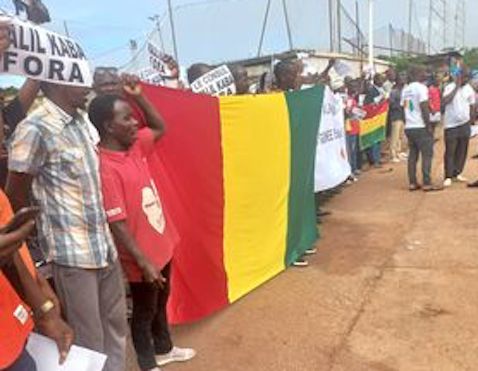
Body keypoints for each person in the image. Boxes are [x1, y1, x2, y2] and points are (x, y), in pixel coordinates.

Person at [6, 82, 128, 371]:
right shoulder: (34, 128)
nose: (86, 85)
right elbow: (14, 199)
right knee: (90, 341)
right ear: (54, 81)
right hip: (71, 256)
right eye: (76, 78)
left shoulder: (83, 122)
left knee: (116, 327)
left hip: (103, 246)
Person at [89, 83, 195, 371]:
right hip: (143, 258)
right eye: (127, 117)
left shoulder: (134, 146)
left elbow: (160, 127)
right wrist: (143, 262)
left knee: (161, 301)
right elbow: (117, 223)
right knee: (144, 311)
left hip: (162, 245)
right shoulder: (104, 167)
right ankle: (148, 364)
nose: (135, 121)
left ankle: (165, 349)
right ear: (108, 126)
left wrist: (138, 97)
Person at [401, 65, 441, 192]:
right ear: (417, 74)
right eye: (423, 72)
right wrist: (428, 125)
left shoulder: (405, 90)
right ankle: (427, 183)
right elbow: (424, 107)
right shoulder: (421, 88)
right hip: (421, 126)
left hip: (409, 126)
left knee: (413, 155)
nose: (426, 74)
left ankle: (412, 182)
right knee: (427, 155)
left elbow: (405, 108)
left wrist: (407, 122)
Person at [441, 68, 476, 187]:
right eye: (464, 77)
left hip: (464, 124)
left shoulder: (469, 89)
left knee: (462, 150)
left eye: (467, 77)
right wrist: (456, 87)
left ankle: (457, 172)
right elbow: (445, 101)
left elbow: (472, 106)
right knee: (450, 150)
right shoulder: (449, 87)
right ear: (458, 76)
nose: (465, 79)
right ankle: (448, 176)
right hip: (451, 125)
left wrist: (472, 121)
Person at [364, 74, 386, 167]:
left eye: (383, 79)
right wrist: (379, 102)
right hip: (372, 118)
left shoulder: (382, 90)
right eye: (380, 79)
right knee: (373, 139)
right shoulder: (371, 90)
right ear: (375, 80)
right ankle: (373, 160)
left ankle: (377, 158)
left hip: (380, 117)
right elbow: (368, 104)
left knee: (378, 138)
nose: (382, 81)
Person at [389, 75, 406, 163]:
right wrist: (401, 106)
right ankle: (393, 154)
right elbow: (391, 104)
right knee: (394, 137)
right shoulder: (394, 92)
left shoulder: (404, 91)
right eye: (401, 79)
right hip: (396, 116)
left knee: (400, 136)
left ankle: (399, 152)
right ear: (397, 81)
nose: (403, 81)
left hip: (403, 116)